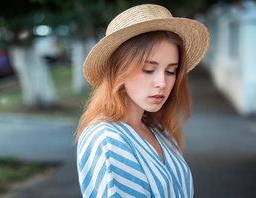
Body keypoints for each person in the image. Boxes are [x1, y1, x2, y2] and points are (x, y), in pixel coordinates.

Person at [76, 4, 210, 198]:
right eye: (148, 69)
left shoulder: (157, 129)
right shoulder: (107, 138)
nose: (162, 83)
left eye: (171, 71)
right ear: (119, 71)